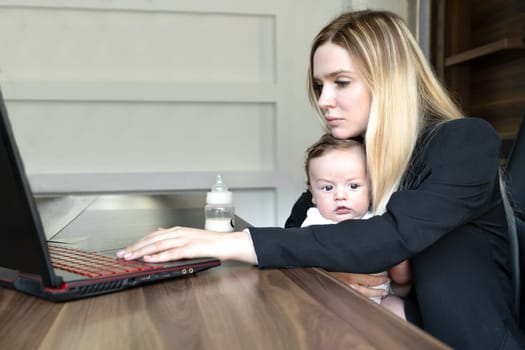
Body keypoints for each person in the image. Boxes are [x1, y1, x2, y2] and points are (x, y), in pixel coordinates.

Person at [117, 10, 525, 349]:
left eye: (341, 82)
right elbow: (303, 226)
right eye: (319, 85)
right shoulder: (355, 151)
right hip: (378, 330)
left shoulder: (464, 141)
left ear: (390, 79)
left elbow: (392, 236)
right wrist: (333, 268)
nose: (323, 100)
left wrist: (229, 243)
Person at [302, 133, 409, 318]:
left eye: (353, 186)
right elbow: (302, 268)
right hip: (330, 299)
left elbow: (402, 278)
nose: (340, 196)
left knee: (400, 310)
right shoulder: (314, 223)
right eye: (328, 188)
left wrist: (397, 252)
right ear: (312, 193)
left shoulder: (381, 222)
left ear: (371, 187)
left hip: (380, 300)